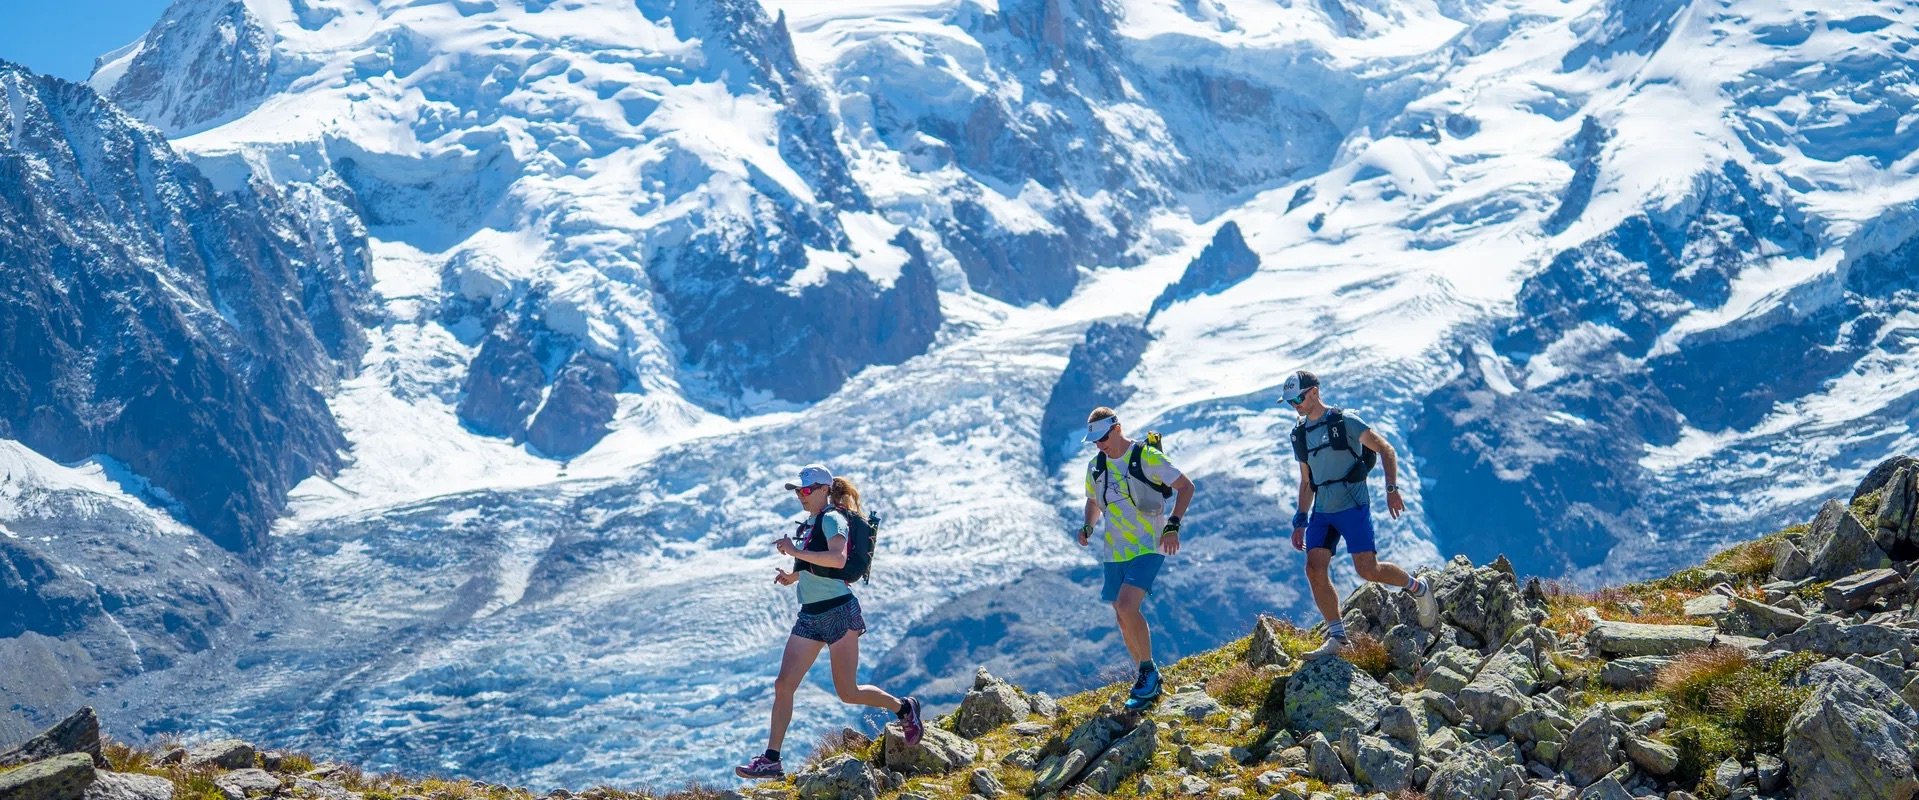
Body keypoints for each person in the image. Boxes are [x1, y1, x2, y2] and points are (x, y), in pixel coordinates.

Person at [735, 464, 924, 779]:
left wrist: (794, 551)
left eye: (807, 490)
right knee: (783, 685)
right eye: (798, 490)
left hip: (838, 611)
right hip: (810, 615)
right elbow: (819, 567)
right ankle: (771, 760)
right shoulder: (811, 523)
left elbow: (837, 558)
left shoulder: (833, 519)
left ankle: (904, 708)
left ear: (825, 490)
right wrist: (793, 576)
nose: (801, 495)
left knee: (848, 692)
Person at [1283, 371, 1438, 659]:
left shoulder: (1346, 421)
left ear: (1314, 392)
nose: (1295, 406)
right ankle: (1339, 639)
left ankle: (1418, 587)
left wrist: (1392, 489)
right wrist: (1300, 520)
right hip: (1323, 511)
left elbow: (1386, 449)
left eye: (1298, 399)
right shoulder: (1300, 435)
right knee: (1314, 568)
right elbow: (1306, 482)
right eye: (1290, 402)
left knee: (1368, 570)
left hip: (1353, 506)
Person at [1079, 407, 1196, 708]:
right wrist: (1088, 526)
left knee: (1127, 605)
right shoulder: (1096, 467)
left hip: (1148, 545)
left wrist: (1173, 525)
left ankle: (1148, 672)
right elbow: (1093, 501)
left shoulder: (1146, 456)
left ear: (1117, 429)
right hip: (1114, 551)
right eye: (1095, 441)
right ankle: (1146, 678)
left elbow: (1186, 487)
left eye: (1103, 438)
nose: (1100, 445)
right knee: (1121, 616)